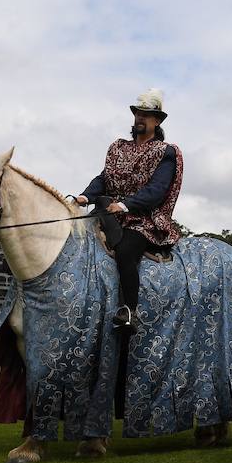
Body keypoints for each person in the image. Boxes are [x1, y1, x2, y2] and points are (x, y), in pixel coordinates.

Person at [75, 88, 184, 331]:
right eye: (137, 113)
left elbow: (157, 190)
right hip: (109, 213)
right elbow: (104, 178)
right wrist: (85, 195)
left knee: (125, 251)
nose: (139, 118)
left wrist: (124, 205)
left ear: (157, 121)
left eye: (146, 114)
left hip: (143, 219)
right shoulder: (118, 148)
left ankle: (129, 311)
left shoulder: (165, 152)